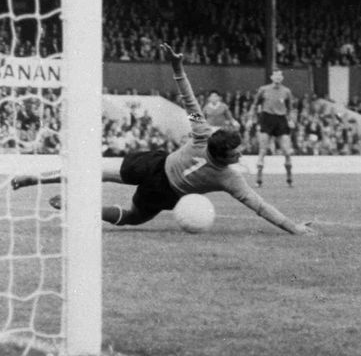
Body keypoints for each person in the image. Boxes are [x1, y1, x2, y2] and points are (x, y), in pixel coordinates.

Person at [11, 43, 313, 235]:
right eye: (237, 154)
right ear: (224, 157)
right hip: (165, 191)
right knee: (130, 217)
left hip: (153, 164)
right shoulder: (229, 178)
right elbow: (260, 207)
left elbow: (189, 98)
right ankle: (75, 207)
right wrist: (293, 229)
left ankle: (34, 179)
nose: (240, 156)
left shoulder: (202, 134)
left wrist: (178, 67)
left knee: (98, 174)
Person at [253, 69, 294, 187]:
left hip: (281, 120)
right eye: (275, 75)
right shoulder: (263, 90)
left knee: (286, 151)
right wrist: (252, 118)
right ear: (271, 77)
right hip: (267, 119)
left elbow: (290, 108)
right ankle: (258, 179)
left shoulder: (286, 91)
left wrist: (291, 120)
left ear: (282, 78)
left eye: (279, 75)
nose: (277, 77)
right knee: (263, 150)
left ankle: (289, 178)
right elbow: (255, 104)